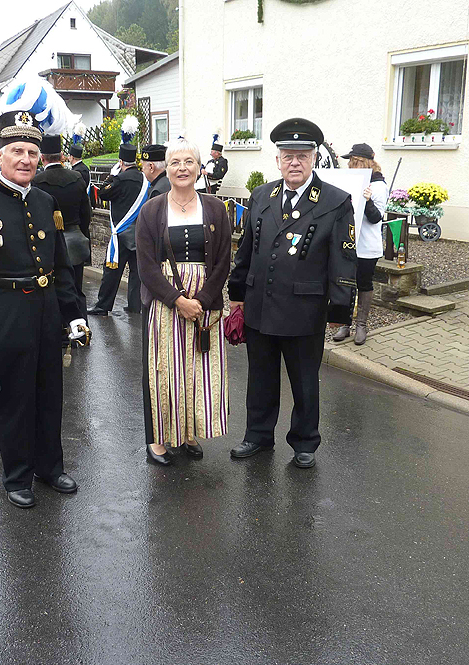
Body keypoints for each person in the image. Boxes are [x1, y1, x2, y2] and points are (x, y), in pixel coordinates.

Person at [0, 85, 89, 509]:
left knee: (50, 391)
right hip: (4, 312)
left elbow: (60, 266)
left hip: (46, 311)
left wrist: (73, 314)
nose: (26, 159)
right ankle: (17, 475)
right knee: (13, 399)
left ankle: (50, 466)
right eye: (17, 152)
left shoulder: (46, 201)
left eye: (32, 152)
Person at [227, 118, 357, 469]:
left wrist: (339, 311)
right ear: (278, 160)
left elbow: (344, 261)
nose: (294, 162)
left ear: (314, 158)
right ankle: (257, 435)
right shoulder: (261, 196)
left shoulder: (335, 201)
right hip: (260, 305)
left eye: (302, 155)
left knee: (304, 382)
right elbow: (246, 250)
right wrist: (236, 293)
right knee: (260, 378)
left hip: (304, 309)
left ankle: (304, 442)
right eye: (288, 156)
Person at [136, 137, 231, 465]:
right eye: (175, 162)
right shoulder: (152, 210)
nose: (181, 168)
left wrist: (202, 300)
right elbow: (146, 266)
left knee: (197, 370)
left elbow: (222, 262)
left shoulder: (216, 208)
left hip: (204, 306)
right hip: (165, 304)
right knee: (164, 372)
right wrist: (178, 300)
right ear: (167, 167)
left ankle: (188, 433)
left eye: (188, 161)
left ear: (199, 167)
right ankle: (159, 440)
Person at [32, 134, 92, 322]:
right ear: (63, 156)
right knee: (76, 288)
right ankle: (81, 328)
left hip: (48, 241)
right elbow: (86, 214)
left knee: (53, 287)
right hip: (75, 238)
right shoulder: (77, 177)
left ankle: (60, 331)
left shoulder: (37, 181)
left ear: (42, 158)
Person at [333, 144, 388, 345]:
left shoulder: (378, 186)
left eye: (352, 161)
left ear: (361, 162)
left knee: (363, 283)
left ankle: (361, 325)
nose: (349, 164)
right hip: (349, 242)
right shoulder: (350, 182)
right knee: (346, 283)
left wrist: (368, 201)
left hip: (367, 246)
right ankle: (344, 324)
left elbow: (376, 218)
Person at [88, 142, 147, 315]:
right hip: (138, 232)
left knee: (112, 271)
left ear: (121, 162)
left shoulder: (120, 179)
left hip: (120, 233)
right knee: (136, 273)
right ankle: (135, 305)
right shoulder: (144, 179)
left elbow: (103, 193)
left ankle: (103, 306)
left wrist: (111, 176)